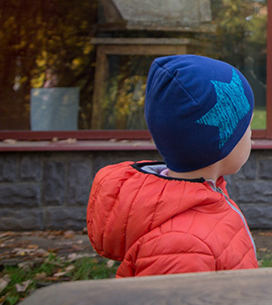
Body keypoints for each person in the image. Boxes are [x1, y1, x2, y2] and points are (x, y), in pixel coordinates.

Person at [87, 54, 257, 278]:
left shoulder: (206, 196)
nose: (252, 134)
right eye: (248, 126)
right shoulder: (183, 246)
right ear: (221, 143)